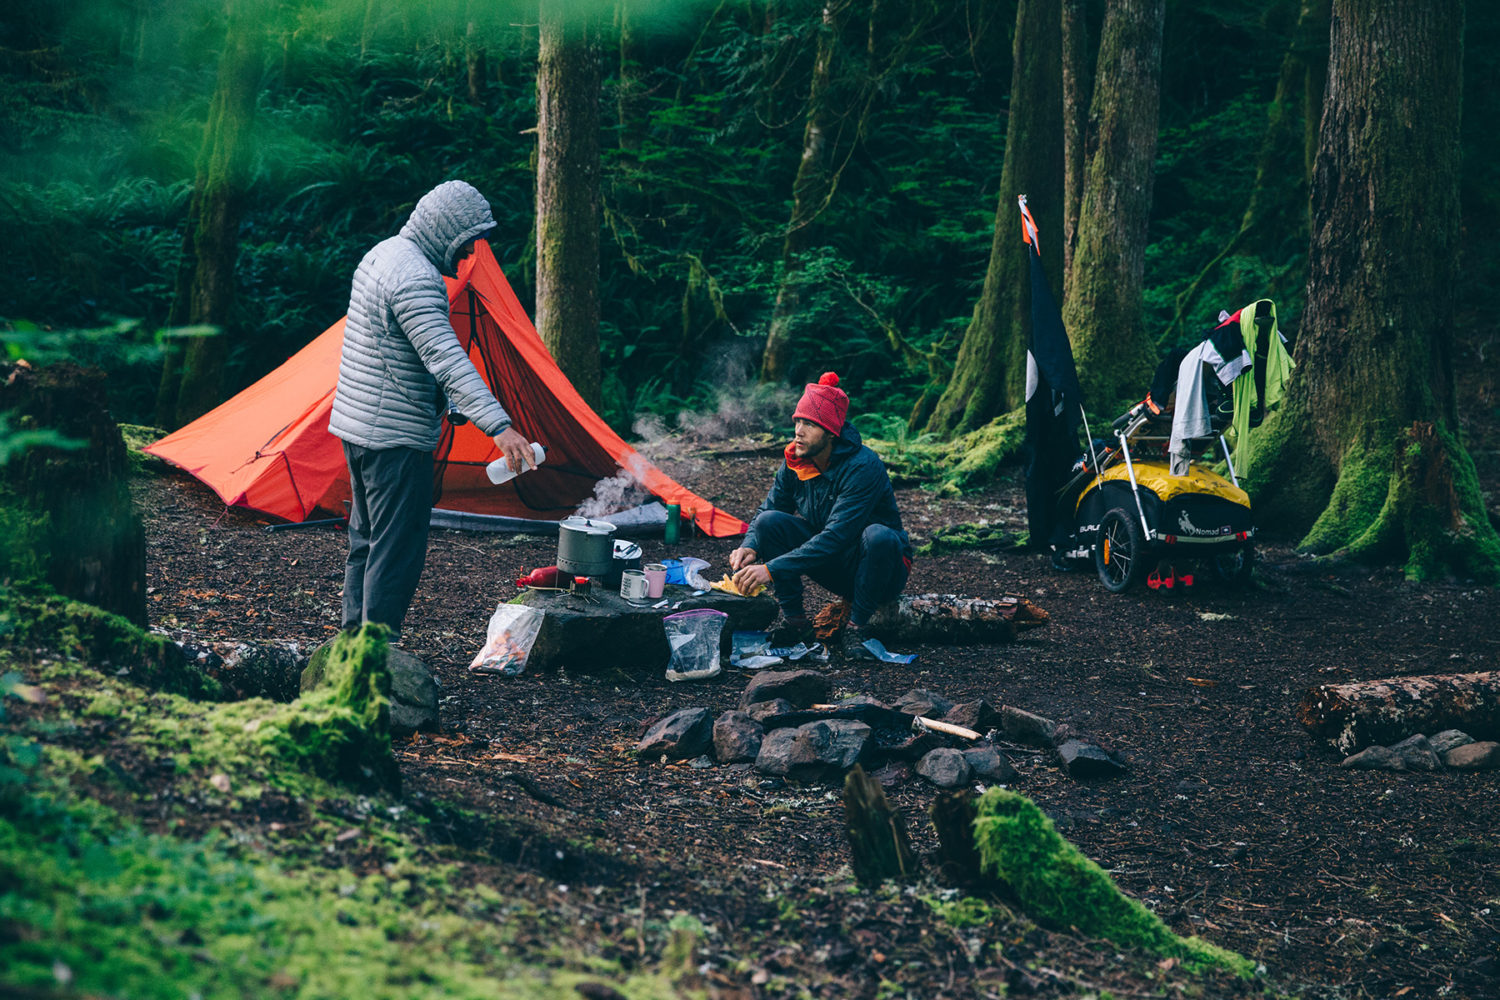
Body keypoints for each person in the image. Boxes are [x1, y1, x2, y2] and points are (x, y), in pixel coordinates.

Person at [329, 179, 533, 640]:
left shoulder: (382, 254)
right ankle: (377, 654)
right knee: (396, 548)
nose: (466, 258)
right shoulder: (416, 278)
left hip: (358, 426)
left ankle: (351, 645)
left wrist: (446, 402)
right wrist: (499, 426)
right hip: (394, 439)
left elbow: (397, 354)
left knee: (366, 541)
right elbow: (445, 358)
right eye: (465, 244)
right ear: (446, 230)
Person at [730, 372, 912, 660]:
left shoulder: (863, 466)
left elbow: (838, 536)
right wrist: (749, 545)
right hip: (833, 563)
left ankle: (857, 628)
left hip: (880, 567)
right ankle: (796, 623)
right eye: (798, 422)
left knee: (879, 535)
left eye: (810, 424)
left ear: (831, 432)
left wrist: (771, 569)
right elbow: (769, 508)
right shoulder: (795, 460)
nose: (799, 431)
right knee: (768, 523)